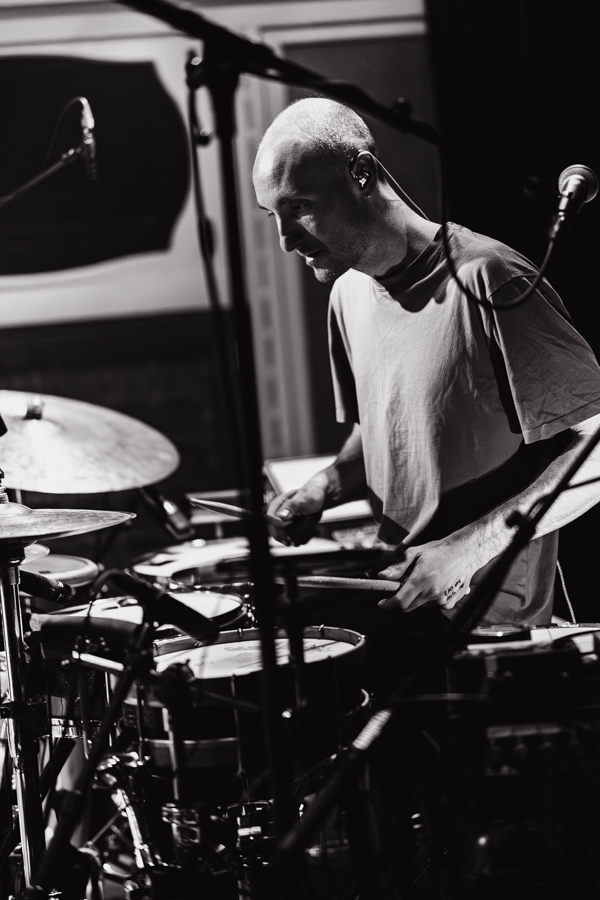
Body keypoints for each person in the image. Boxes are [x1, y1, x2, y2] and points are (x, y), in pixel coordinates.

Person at [252, 97, 600, 690]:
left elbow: (594, 451)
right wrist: (322, 488)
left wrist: (464, 550)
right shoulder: (347, 295)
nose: (285, 240)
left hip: (486, 626)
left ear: (362, 174)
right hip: (398, 594)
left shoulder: (491, 278)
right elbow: (384, 430)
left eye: (300, 207)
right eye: (272, 215)